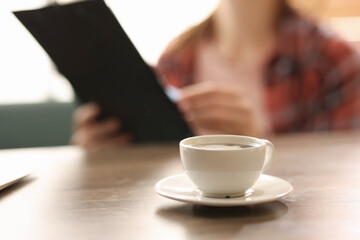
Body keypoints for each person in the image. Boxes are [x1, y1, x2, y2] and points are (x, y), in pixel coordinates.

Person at [71, 0, 360, 149]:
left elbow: (338, 177)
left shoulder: (333, 60)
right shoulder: (176, 60)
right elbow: (162, 170)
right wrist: (106, 149)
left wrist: (256, 147)